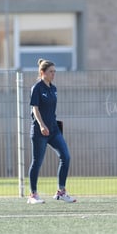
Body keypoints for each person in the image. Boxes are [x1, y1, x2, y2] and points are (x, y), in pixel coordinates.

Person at [27, 59, 76, 204]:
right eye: (51, 71)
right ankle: (33, 195)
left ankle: (61, 192)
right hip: (40, 131)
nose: (53, 74)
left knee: (66, 157)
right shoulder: (36, 88)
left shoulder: (53, 89)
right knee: (37, 161)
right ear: (42, 73)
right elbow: (35, 109)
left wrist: (53, 126)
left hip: (54, 130)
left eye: (55, 71)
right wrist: (42, 125)